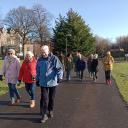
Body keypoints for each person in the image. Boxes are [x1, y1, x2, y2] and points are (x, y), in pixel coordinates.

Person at [36, 45, 63, 123]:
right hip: (43, 82)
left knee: (51, 98)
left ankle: (50, 110)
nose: (43, 54)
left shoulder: (54, 58)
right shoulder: (40, 59)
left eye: (44, 52)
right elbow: (38, 71)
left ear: (48, 51)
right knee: (44, 98)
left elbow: (60, 69)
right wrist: (37, 80)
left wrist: (59, 77)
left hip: (52, 81)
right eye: (42, 52)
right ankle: (44, 114)